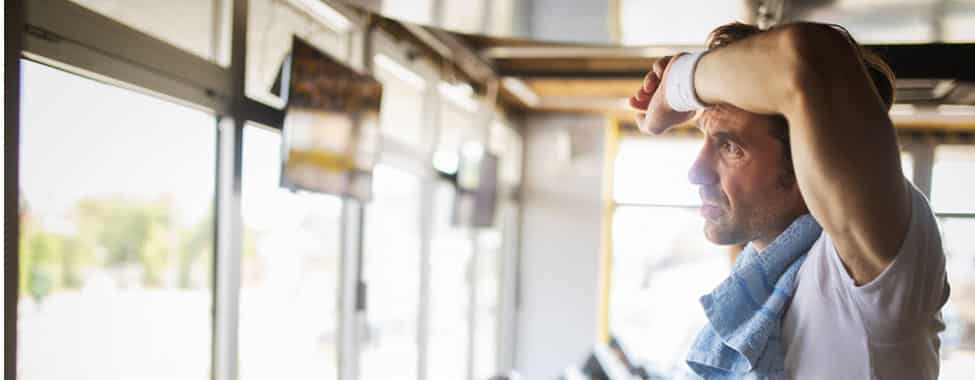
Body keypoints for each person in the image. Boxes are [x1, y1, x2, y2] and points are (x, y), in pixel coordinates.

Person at [629, 22, 949, 379]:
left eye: (730, 147)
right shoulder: (764, 289)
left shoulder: (869, 260)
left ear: (806, 159)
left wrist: (679, 84)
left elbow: (810, 59)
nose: (696, 172)